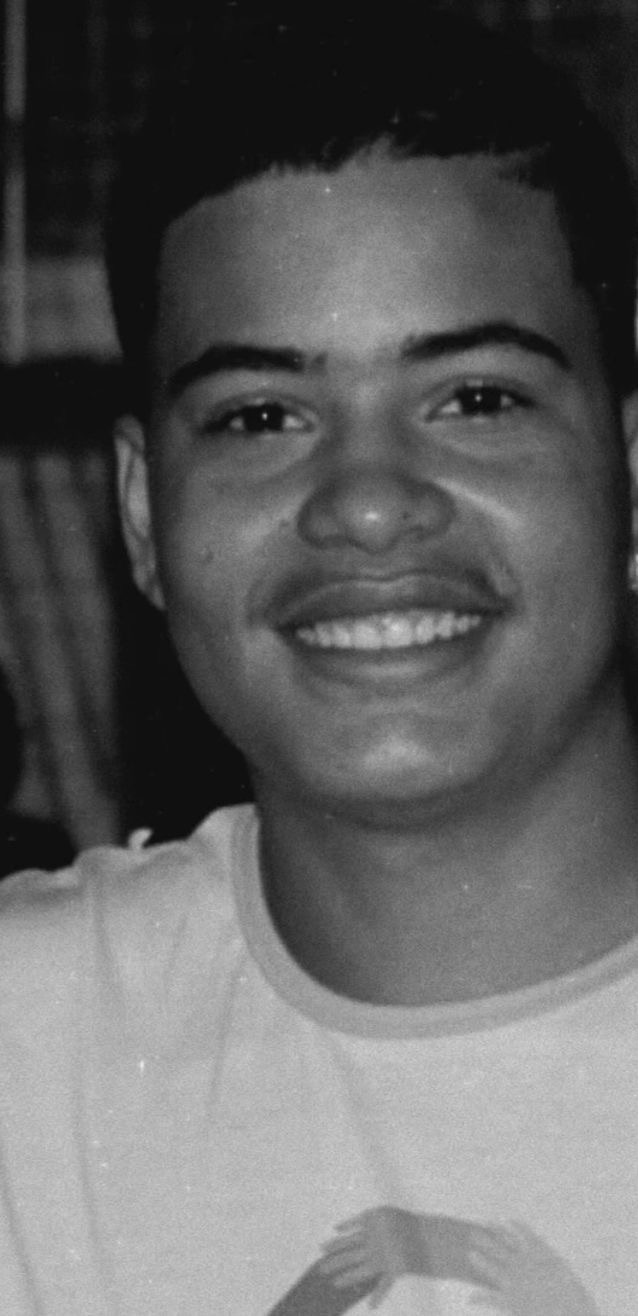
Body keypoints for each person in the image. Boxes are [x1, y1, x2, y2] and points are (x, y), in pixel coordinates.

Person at [1, 9, 637, 1313]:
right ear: (142, 515)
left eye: (476, 398)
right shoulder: (29, 1058)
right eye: (260, 416)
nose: (365, 502)